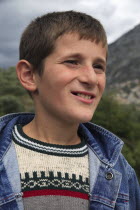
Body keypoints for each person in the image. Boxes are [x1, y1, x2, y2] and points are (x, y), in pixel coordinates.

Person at [0, 11, 139, 210]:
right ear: (29, 75)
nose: (91, 78)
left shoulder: (120, 171)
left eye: (98, 66)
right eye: (72, 62)